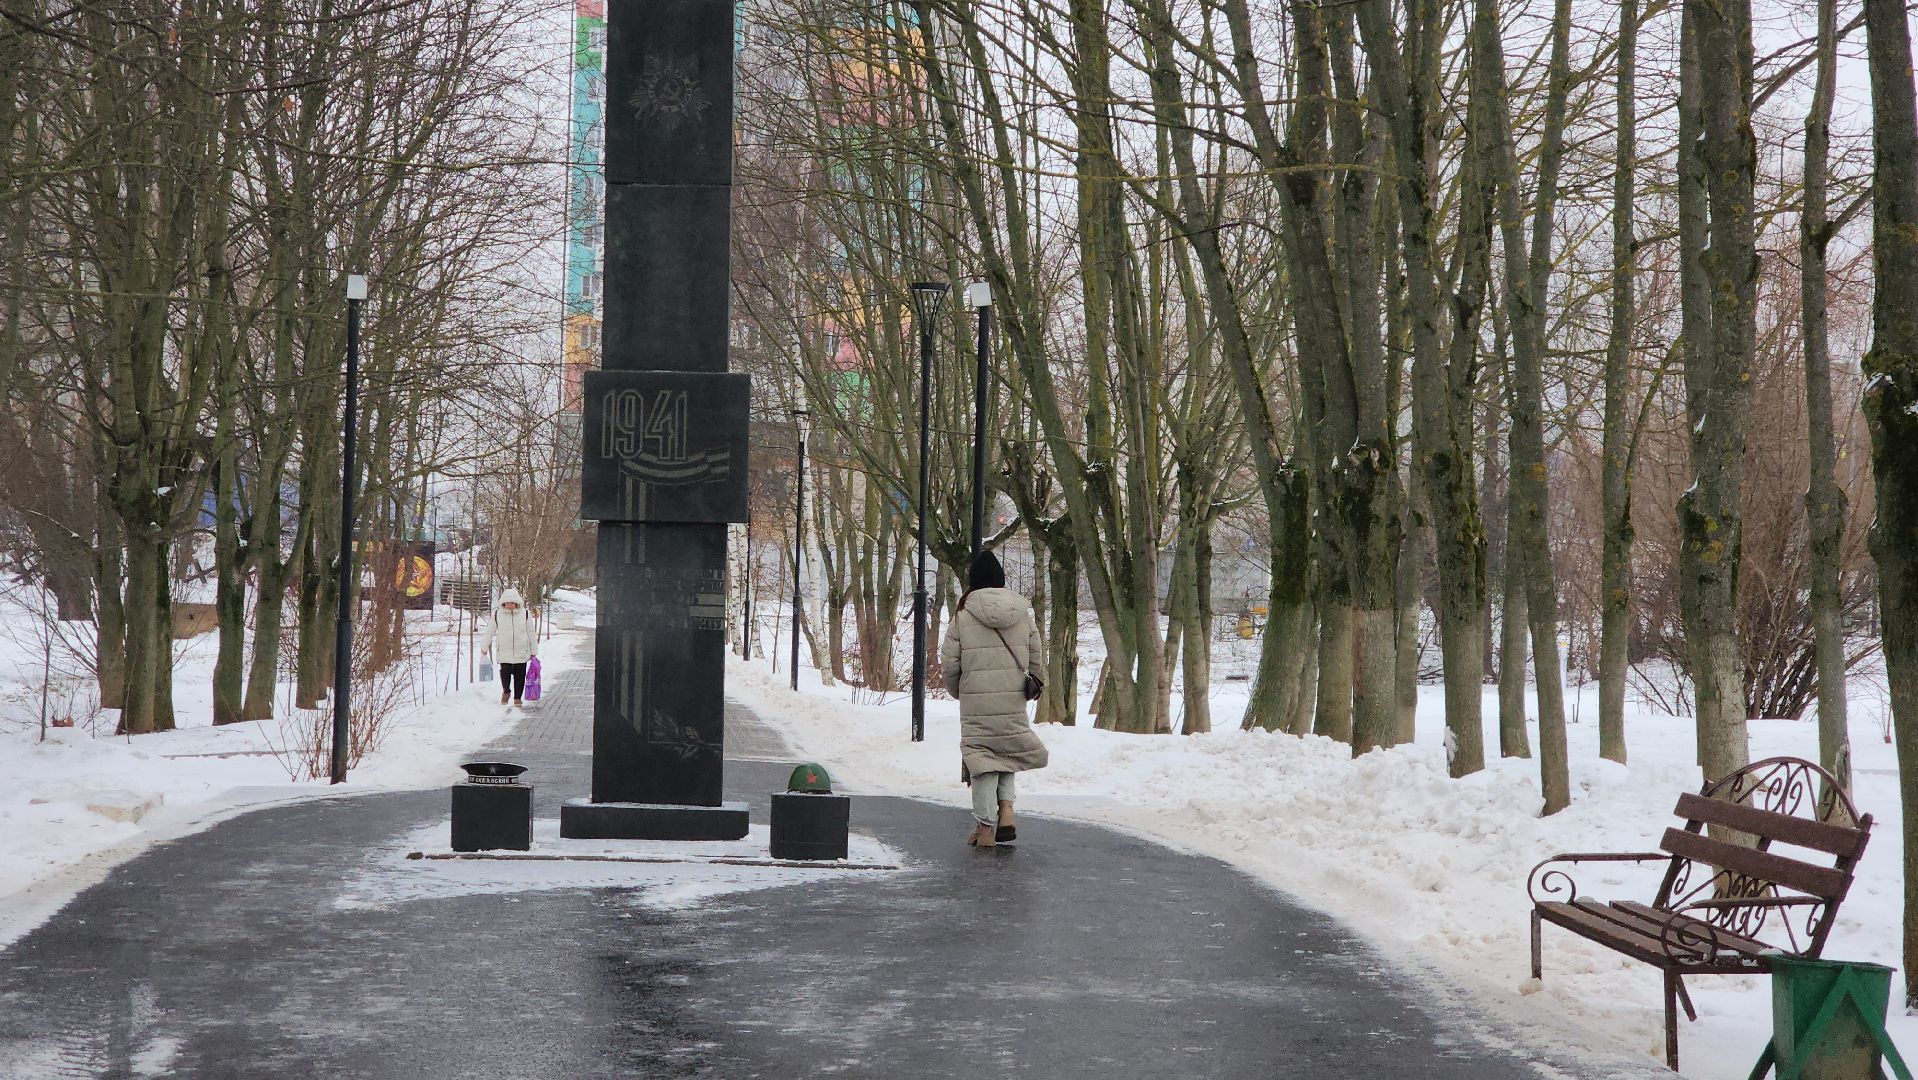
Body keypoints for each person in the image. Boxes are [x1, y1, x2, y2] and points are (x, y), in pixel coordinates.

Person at [940, 551, 1048, 848]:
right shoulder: (1022, 614)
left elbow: (949, 664)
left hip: (976, 699)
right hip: (1013, 695)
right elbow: (1037, 655)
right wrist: (1033, 682)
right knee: (1006, 751)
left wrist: (958, 690)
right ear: (1001, 581)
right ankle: (1008, 812)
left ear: (973, 583)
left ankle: (986, 828)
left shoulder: (962, 617)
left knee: (981, 758)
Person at [483, 587, 536, 706]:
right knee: (505, 673)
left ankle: (517, 698)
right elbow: (489, 631)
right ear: (503, 602)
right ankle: (506, 691)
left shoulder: (525, 614)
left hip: (521, 650)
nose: (510, 605)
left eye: (512, 603)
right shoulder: (497, 614)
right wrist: (484, 648)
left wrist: (533, 651)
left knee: (520, 676)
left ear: (517, 602)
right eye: (507, 603)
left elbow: (531, 633)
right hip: (504, 651)